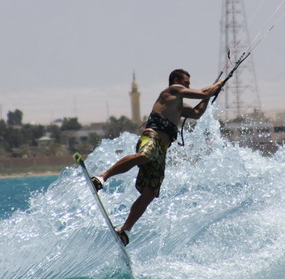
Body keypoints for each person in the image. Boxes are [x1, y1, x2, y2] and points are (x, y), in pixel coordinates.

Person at [91, 69, 224, 246]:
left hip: (163, 148)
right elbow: (203, 92)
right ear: (176, 80)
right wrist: (217, 84)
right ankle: (101, 179)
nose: (188, 86)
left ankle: (124, 230)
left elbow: (197, 113)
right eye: (186, 82)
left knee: (151, 192)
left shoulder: (178, 105)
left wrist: (208, 97)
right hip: (152, 137)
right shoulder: (172, 91)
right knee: (144, 155)